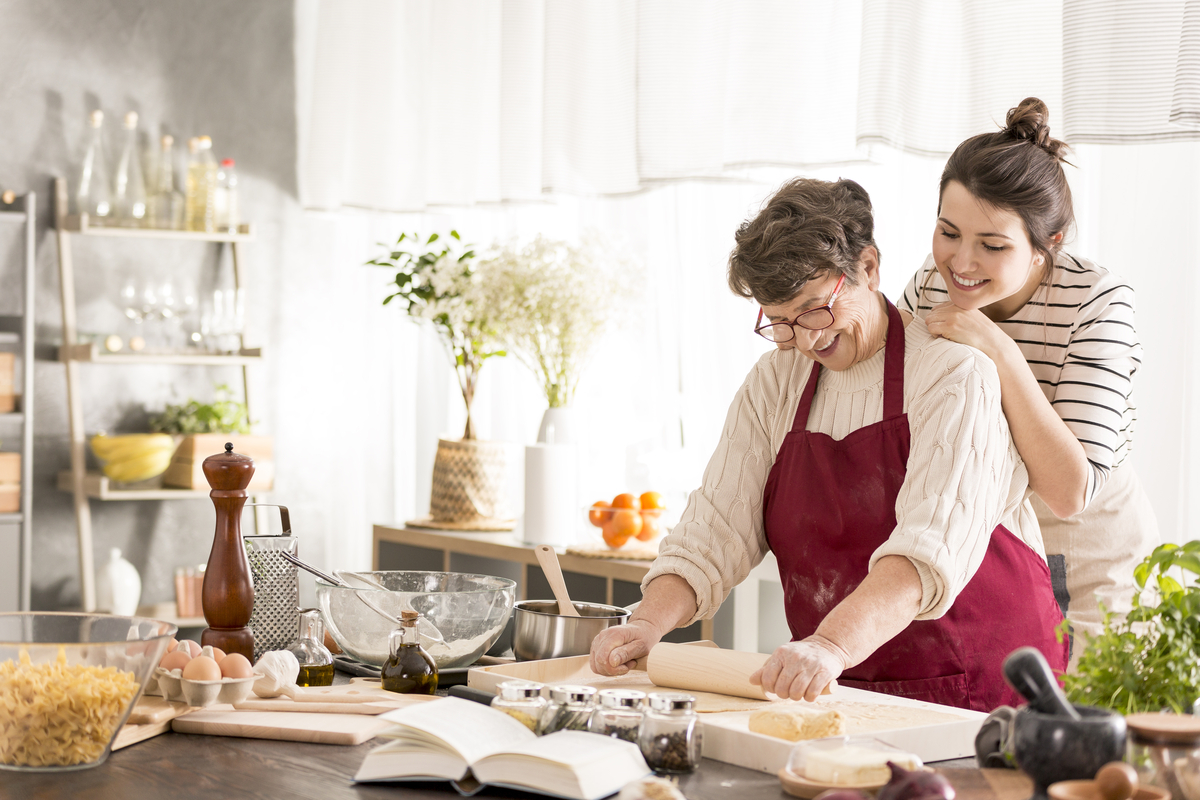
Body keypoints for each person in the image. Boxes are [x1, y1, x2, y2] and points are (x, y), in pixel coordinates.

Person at [590, 177, 1066, 712]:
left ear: (867, 267)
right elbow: (714, 529)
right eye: (781, 322)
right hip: (836, 686)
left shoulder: (953, 373)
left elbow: (925, 552)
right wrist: (647, 622)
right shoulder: (775, 382)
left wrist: (830, 643)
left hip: (980, 694)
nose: (808, 340)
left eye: (817, 310)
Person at [898, 98, 1159, 669]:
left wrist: (996, 347)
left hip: (1085, 550)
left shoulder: (1098, 301)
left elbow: (1069, 491)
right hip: (985, 539)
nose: (960, 262)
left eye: (993, 245)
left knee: (1079, 734)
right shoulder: (930, 282)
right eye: (947, 232)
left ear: (1052, 242)